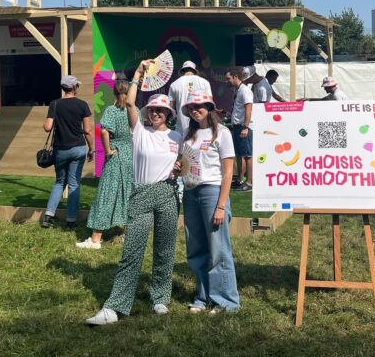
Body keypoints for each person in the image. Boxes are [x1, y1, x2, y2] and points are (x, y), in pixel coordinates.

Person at [85, 59, 183, 326]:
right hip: (140, 194)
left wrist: (180, 167)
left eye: (161, 110)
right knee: (132, 250)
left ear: (169, 114)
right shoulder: (139, 131)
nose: (156, 113)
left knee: (165, 249)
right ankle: (115, 306)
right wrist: (138, 74)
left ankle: (160, 297)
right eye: (152, 110)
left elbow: (186, 163)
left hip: (167, 194)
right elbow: (129, 103)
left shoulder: (177, 138)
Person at [181, 92, 240, 314]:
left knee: (218, 248)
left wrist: (221, 205)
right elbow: (187, 164)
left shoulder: (222, 133)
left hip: (212, 192)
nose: (196, 110)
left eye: (200, 106)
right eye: (191, 107)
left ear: (209, 107)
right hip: (190, 192)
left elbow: (228, 172)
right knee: (195, 247)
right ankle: (203, 296)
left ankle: (226, 301)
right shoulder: (188, 134)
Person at [77, 79, 135, 249]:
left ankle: (95, 239)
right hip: (130, 156)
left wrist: (108, 150)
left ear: (114, 92)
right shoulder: (135, 110)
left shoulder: (112, 110)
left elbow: (104, 130)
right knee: (127, 193)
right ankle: (127, 233)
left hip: (116, 155)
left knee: (107, 194)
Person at [41, 76, 93, 229]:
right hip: (78, 148)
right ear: (75, 87)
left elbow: (47, 127)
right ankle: (71, 221)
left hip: (60, 149)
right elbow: (87, 131)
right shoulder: (82, 105)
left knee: (59, 182)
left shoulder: (55, 104)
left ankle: (48, 216)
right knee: (74, 183)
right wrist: (91, 149)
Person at [224, 68, 254, 192]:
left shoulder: (245, 90)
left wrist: (246, 127)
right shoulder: (238, 90)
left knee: (247, 155)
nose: (227, 81)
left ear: (235, 77)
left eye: (228, 79)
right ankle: (240, 180)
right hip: (237, 126)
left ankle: (249, 183)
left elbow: (248, 109)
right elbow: (240, 109)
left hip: (243, 127)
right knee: (239, 154)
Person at [168, 60, 212, 138]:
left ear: (182, 71)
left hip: (181, 126)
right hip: (202, 124)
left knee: (183, 149)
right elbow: (210, 103)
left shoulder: (174, 84)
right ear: (194, 71)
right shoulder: (204, 82)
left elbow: (171, 108)